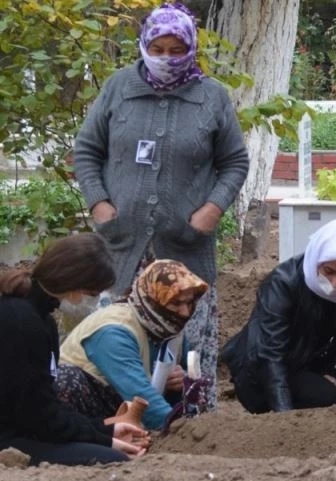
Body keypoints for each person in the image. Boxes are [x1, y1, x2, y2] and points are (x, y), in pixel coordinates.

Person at [73, 2, 250, 409]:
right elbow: (86, 149)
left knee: (185, 352)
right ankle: (121, 424)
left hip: (185, 245)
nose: (166, 58)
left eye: (176, 50)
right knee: (119, 339)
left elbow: (234, 161)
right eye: (158, 48)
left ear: (190, 48)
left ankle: (190, 430)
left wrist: (212, 209)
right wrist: (99, 204)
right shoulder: (118, 87)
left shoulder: (212, 96)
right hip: (123, 245)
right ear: (143, 45)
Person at [0, 234, 148, 466]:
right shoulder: (23, 323)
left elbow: (45, 406)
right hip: (10, 438)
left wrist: (106, 430)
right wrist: (104, 440)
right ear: (75, 283)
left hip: (22, 430)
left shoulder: (40, 320)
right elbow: (38, 417)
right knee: (112, 459)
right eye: (92, 293)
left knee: (108, 453)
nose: (91, 299)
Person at [221, 219, 336, 413]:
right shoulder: (283, 283)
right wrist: (284, 415)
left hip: (311, 362)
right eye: (329, 271)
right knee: (324, 397)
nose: (334, 284)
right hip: (262, 370)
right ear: (318, 258)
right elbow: (270, 355)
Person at [55, 259, 209, 431]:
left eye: (189, 302)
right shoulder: (114, 330)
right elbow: (139, 393)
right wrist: (184, 430)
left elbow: (192, 388)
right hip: (86, 409)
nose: (185, 312)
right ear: (152, 301)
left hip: (123, 405)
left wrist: (182, 380)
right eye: (176, 303)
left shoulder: (171, 331)